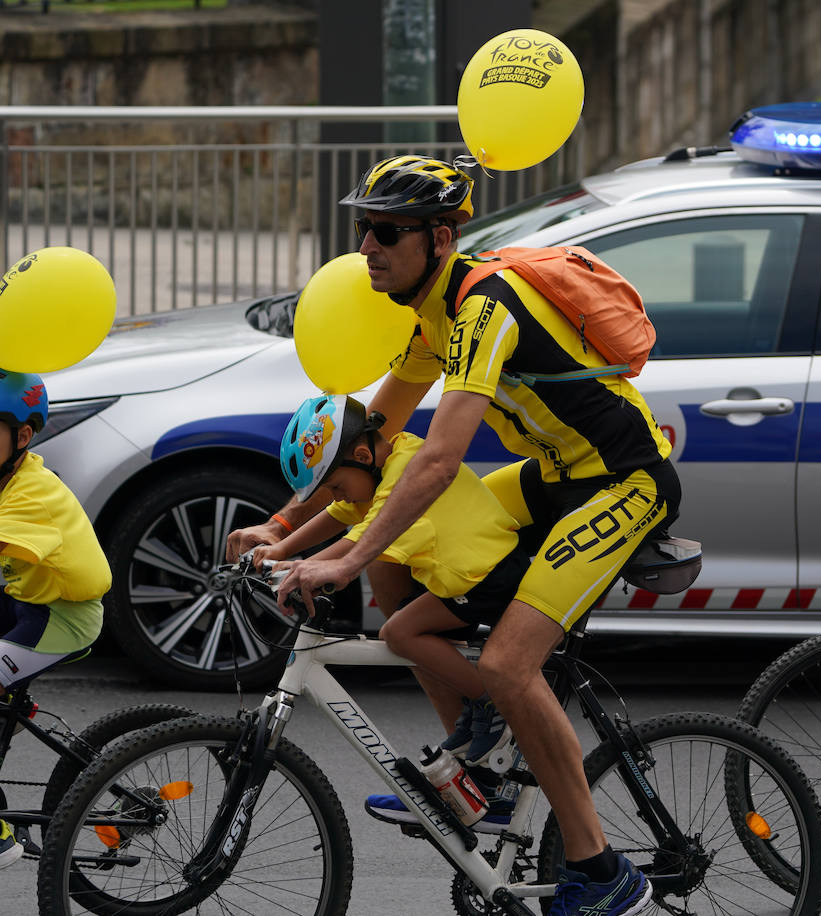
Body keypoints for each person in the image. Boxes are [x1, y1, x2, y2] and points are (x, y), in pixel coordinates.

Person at [228, 155, 678, 914]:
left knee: (506, 665)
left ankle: (601, 871)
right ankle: (486, 780)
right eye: (362, 229)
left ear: (440, 240)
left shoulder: (483, 307)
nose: (366, 247)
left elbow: (437, 462)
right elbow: (367, 442)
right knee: (401, 602)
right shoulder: (433, 318)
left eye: (385, 233)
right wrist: (283, 526)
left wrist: (345, 561)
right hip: (558, 476)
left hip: (623, 481)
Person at [257, 393, 528, 829]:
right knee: (406, 632)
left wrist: (316, 564)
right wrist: (282, 548)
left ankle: (489, 703)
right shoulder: (384, 463)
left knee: (400, 634)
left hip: (489, 576)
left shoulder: (406, 470)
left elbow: (368, 534)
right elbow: (343, 512)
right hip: (467, 577)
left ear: (363, 455)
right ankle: (475, 740)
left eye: (335, 483)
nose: (335, 495)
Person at [0, 369, 111, 866]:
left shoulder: (32, 494)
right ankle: (11, 710)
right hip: (22, 599)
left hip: (58, 618)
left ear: (22, 437)